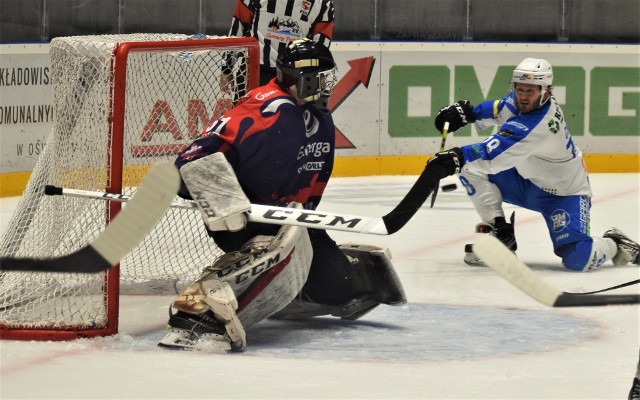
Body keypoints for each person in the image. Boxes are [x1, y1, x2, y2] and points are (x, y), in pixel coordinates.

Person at [158, 39, 405, 352]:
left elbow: (314, 180)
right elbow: (188, 163)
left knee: (342, 288)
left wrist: (304, 222)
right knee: (273, 251)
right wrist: (226, 204)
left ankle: (289, 288)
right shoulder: (265, 109)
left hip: (288, 218)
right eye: (323, 78)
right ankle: (196, 314)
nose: (329, 85)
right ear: (303, 79)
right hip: (247, 220)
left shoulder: (319, 115)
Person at [426, 57, 640, 271]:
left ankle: (616, 244)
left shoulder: (540, 123)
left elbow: (493, 156)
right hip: (525, 183)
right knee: (469, 167)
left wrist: (456, 157)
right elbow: (497, 108)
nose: (523, 97)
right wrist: (467, 114)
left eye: (531, 91)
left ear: (546, 91)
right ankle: (501, 233)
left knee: (578, 260)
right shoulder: (518, 102)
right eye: (520, 89)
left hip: (564, 194)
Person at [221, 0, 335, 100]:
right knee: (243, 120)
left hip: (295, 78)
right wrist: (227, 68)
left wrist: (227, 68)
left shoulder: (322, 3)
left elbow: (319, 47)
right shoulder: (323, 3)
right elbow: (239, 26)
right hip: (258, 73)